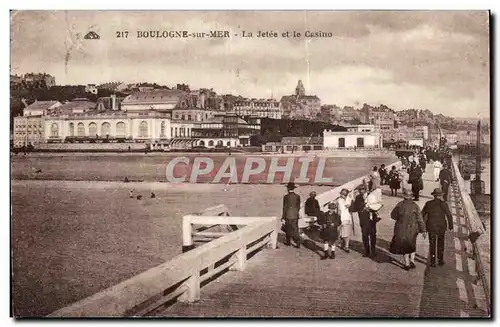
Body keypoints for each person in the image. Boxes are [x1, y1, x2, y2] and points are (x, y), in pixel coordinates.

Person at [389, 188, 427, 270]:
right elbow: (420, 219)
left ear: (404, 196)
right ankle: (412, 260)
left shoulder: (400, 205)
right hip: (413, 229)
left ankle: (407, 264)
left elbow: (393, 216)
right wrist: (423, 230)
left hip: (401, 228)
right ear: (411, 197)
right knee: (412, 243)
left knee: (404, 245)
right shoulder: (415, 206)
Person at [421, 188, 454, 267]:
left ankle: (432, 261)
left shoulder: (428, 203)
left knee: (432, 243)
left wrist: (422, 227)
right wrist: (450, 225)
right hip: (441, 226)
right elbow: (449, 215)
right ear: (441, 195)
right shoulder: (444, 204)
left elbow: (422, 214)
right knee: (440, 243)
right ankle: (440, 260)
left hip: (431, 226)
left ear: (434, 196)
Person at [351, 185, 377, 257]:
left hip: (371, 220)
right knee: (365, 235)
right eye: (359, 190)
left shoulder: (371, 196)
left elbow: (376, 206)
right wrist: (352, 202)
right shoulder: (358, 197)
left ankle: (373, 250)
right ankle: (367, 251)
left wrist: (370, 209)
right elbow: (355, 209)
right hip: (363, 219)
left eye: (362, 189)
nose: (360, 191)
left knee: (373, 235)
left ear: (365, 190)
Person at [282, 182, 301, 248]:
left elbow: (284, 207)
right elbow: (298, 206)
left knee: (288, 228)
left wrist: (283, 217)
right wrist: (296, 212)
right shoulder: (297, 196)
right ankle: (298, 243)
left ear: (288, 188)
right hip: (295, 215)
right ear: (293, 188)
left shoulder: (286, 197)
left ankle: (288, 242)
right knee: (295, 228)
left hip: (288, 215)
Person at [337, 188, 353, 253]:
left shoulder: (349, 199)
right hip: (341, 217)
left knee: (346, 233)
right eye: (341, 194)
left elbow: (351, 209)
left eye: (343, 194)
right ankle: (343, 244)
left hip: (347, 218)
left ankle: (346, 246)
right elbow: (338, 210)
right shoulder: (339, 200)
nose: (341, 195)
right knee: (340, 232)